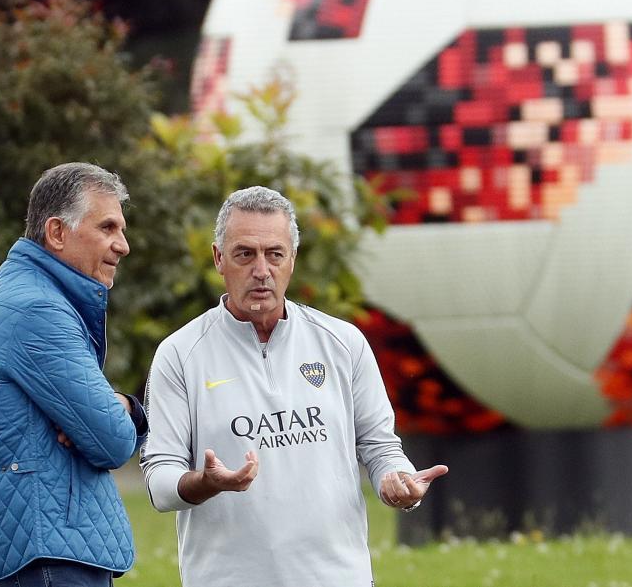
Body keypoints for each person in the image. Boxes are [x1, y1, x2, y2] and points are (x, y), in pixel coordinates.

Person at [141, 185, 448, 587]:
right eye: (245, 254)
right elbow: (160, 481)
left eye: (274, 254)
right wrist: (205, 483)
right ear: (219, 258)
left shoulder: (343, 342)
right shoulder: (180, 354)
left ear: (293, 259)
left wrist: (398, 479)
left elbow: (380, 445)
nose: (261, 270)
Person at [0, 162, 148, 587]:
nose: (123, 245)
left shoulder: (30, 295)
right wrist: (128, 411)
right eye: (108, 228)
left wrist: (112, 408)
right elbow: (112, 440)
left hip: (49, 548)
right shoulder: (37, 310)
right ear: (57, 232)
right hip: (50, 557)